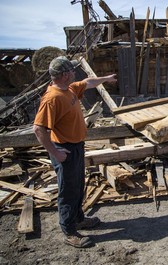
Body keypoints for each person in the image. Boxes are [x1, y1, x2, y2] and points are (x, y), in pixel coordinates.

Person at [33, 56, 117, 247]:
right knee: (68, 192)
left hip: (76, 147)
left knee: (78, 186)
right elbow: (38, 129)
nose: (74, 73)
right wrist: (56, 153)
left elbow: (88, 82)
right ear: (64, 75)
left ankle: (78, 218)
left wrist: (105, 78)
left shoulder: (68, 89)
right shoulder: (52, 98)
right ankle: (70, 232)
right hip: (65, 150)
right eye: (71, 71)